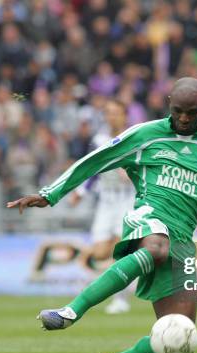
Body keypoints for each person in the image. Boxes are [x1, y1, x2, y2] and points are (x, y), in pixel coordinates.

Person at [8, 77, 197, 353]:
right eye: (178, 111)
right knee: (157, 247)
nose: (185, 119)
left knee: (178, 338)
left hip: (182, 242)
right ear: (168, 104)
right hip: (147, 220)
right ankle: (71, 310)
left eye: (192, 112)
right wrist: (50, 194)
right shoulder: (146, 135)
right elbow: (95, 160)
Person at [69, 99, 136, 314]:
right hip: (106, 202)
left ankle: (120, 299)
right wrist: (80, 191)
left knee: (119, 250)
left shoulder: (135, 136)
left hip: (128, 200)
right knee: (99, 253)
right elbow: (92, 168)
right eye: (108, 113)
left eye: (116, 113)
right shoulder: (98, 139)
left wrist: (131, 172)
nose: (112, 117)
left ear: (125, 115)